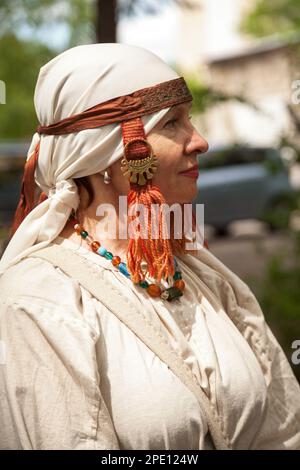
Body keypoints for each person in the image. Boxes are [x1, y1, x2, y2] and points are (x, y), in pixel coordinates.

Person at [0, 43, 299, 451]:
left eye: (188, 119)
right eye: (172, 123)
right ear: (107, 152)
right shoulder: (39, 301)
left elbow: (282, 431)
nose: (200, 141)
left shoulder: (201, 276)